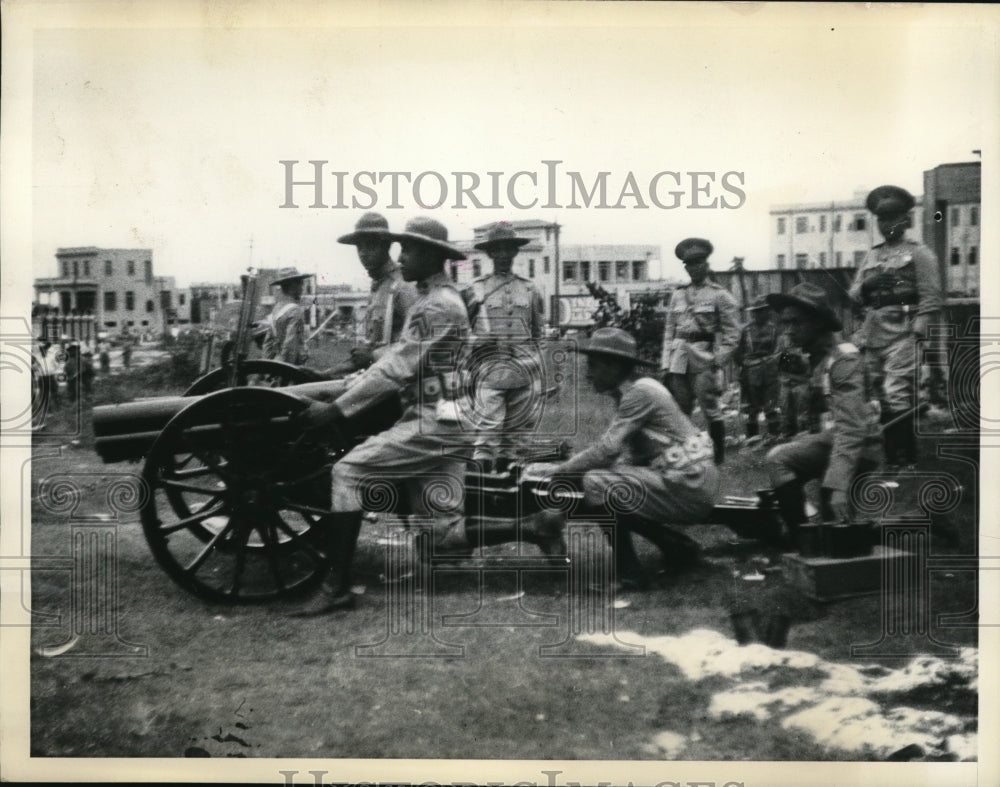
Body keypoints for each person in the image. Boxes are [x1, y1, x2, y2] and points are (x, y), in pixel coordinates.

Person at [290, 217, 472, 615]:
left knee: (348, 472)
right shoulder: (431, 300)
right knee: (438, 540)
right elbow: (392, 359)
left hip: (433, 422)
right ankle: (537, 525)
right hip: (444, 418)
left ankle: (335, 586)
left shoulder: (437, 306)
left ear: (432, 256)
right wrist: (343, 380)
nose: (400, 255)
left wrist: (336, 408)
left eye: (408, 249)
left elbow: (395, 369)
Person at [528, 328, 719, 590]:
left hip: (689, 483)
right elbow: (627, 458)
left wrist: (560, 471)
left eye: (593, 366)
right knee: (609, 484)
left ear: (614, 366)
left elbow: (607, 450)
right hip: (691, 479)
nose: (588, 373)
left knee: (597, 482)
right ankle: (676, 545)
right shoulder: (639, 390)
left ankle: (631, 575)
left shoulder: (638, 394)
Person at [764, 283, 882, 548]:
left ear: (818, 323)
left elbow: (852, 430)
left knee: (779, 460)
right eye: (785, 323)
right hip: (836, 441)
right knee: (835, 531)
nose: (789, 331)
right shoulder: (821, 357)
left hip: (860, 448)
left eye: (796, 323)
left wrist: (838, 485)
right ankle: (804, 537)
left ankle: (802, 539)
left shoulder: (843, 361)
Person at [848, 185, 944, 468]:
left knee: (897, 392)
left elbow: (931, 298)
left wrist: (916, 334)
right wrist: (866, 284)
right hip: (873, 333)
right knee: (881, 395)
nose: (887, 225)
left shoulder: (919, 254)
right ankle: (895, 458)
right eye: (882, 219)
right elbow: (852, 297)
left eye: (893, 218)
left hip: (903, 333)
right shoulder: (871, 256)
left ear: (906, 220)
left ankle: (905, 457)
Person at [462, 222, 545, 473]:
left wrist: (537, 369)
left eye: (508, 249)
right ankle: (481, 491)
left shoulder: (530, 289)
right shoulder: (476, 290)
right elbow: (459, 333)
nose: (503, 255)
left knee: (517, 440)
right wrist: (479, 342)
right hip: (490, 370)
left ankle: (510, 496)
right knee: (486, 435)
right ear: (489, 253)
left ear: (515, 252)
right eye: (497, 250)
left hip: (524, 369)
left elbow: (538, 333)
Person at [659, 238, 741, 464]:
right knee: (680, 411)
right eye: (689, 264)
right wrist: (665, 362)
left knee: (711, 411)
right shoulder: (677, 294)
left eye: (698, 263)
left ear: (706, 265)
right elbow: (669, 330)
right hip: (678, 360)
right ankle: (685, 457)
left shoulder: (719, 295)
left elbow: (733, 333)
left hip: (704, 359)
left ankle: (718, 459)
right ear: (685, 267)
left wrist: (718, 360)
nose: (693, 268)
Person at [328, 212, 417, 375]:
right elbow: (370, 351)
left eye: (370, 245)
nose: (363, 253)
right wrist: (327, 373)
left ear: (386, 246)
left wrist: (372, 356)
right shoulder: (378, 286)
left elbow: (417, 344)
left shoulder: (401, 286)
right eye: (359, 247)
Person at [734, 296, 781, 443]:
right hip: (751, 371)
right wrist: (744, 365)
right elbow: (737, 352)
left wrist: (776, 364)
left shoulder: (774, 329)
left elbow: (781, 351)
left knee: (771, 405)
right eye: (757, 311)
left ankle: (773, 435)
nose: (760, 314)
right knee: (752, 406)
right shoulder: (745, 330)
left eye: (763, 311)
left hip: (770, 371)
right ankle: (752, 436)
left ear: (768, 312)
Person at [262, 267, 312, 366]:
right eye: (300, 283)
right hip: (291, 367)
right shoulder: (295, 311)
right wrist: (284, 371)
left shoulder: (276, 309)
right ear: (293, 286)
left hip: (276, 361)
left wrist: (267, 366)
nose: (302, 288)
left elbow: (268, 344)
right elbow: (290, 347)